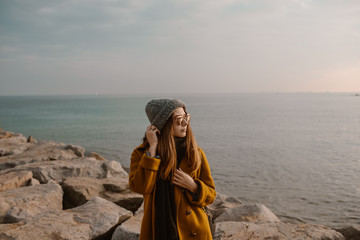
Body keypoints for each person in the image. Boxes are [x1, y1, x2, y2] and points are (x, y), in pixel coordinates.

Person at [129, 98, 216, 240]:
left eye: (186, 117)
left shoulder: (195, 153)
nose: (185, 123)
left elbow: (211, 195)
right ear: (164, 124)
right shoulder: (142, 154)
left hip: (194, 231)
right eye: (179, 119)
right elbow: (139, 187)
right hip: (157, 230)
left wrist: (194, 186)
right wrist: (152, 151)